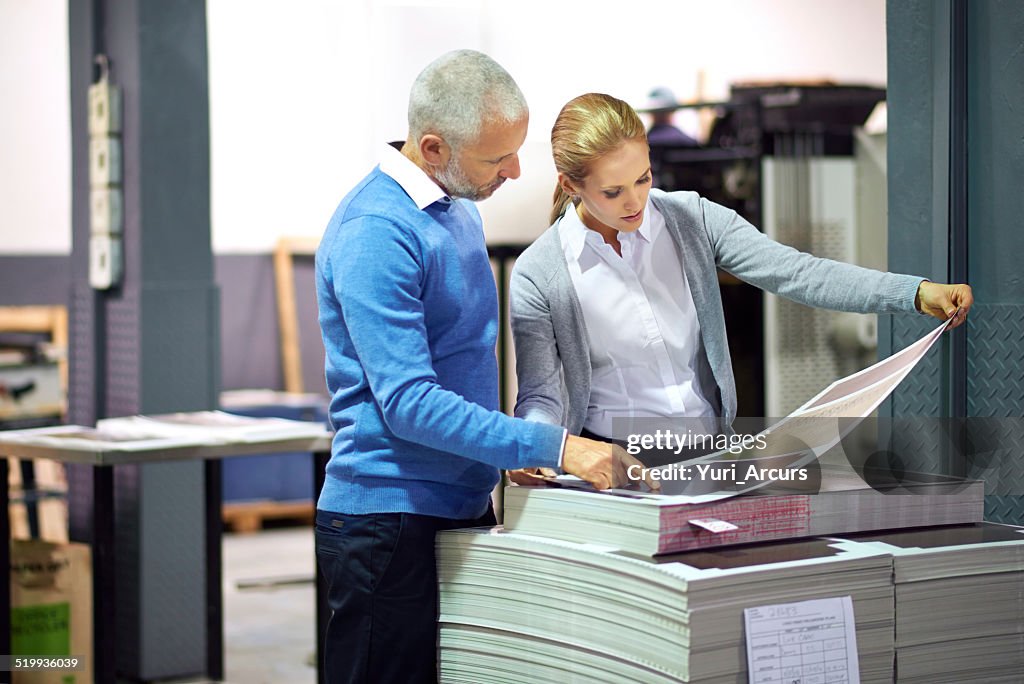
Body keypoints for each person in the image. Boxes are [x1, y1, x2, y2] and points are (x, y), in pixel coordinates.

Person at [314, 56, 653, 684]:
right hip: (389, 526)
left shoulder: (455, 204)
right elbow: (410, 403)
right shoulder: (375, 232)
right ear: (434, 146)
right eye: (498, 158)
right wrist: (557, 446)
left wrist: (509, 450)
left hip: (458, 508)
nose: (516, 171)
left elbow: (461, 365)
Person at [508, 92, 973, 473]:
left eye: (644, 178)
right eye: (613, 191)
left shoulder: (692, 219)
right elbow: (540, 395)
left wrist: (914, 292)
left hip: (709, 458)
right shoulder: (540, 272)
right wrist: (538, 450)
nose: (635, 201)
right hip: (614, 468)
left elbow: (799, 272)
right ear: (571, 186)